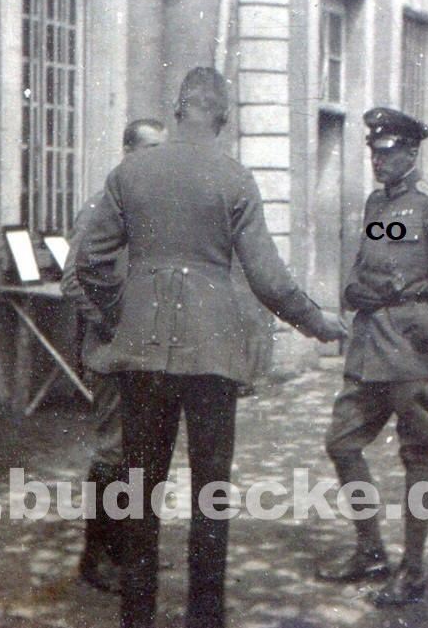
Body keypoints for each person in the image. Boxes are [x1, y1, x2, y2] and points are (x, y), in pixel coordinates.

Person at [74, 67, 346, 628]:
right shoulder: (235, 179)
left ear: (177, 111)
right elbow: (268, 278)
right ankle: (205, 617)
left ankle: (137, 617)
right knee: (210, 494)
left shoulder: (129, 173)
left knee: (138, 490)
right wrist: (315, 321)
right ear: (223, 119)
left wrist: (125, 313)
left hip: (143, 354)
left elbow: (91, 263)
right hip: (214, 356)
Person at [317, 107, 428, 607]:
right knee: (342, 442)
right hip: (370, 347)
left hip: (413, 350)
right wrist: (354, 289)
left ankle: (412, 570)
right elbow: (372, 263)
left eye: (387, 152)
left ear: (411, 153)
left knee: (416, 456)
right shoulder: (379, 204)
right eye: (373, 152)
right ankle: (371, 550)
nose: (377, 161)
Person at [61, 118, 166, 593]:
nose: (157, 159)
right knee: (113, 450)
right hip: (111, 352)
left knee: (141, 451)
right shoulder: (102, 206)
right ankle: (96, 555)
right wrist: (115, 324)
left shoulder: (155, 210)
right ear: (127, 151)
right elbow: (73, 280)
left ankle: (127, 549)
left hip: (148, 354)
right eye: (149, 148)